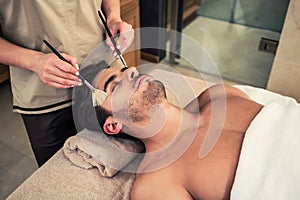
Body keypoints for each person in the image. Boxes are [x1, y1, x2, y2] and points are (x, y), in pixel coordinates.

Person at [74, 61, 265, 199]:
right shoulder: (156, 183)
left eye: (126, 69)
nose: (133, 70)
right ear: (113, 125)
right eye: (114, 87)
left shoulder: (218, 95)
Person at [0, 0, 134, 167]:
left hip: (105, 60)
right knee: (60, 171)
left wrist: (113, 16)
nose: (133, 72)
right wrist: (34, 61)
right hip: (45, 94)